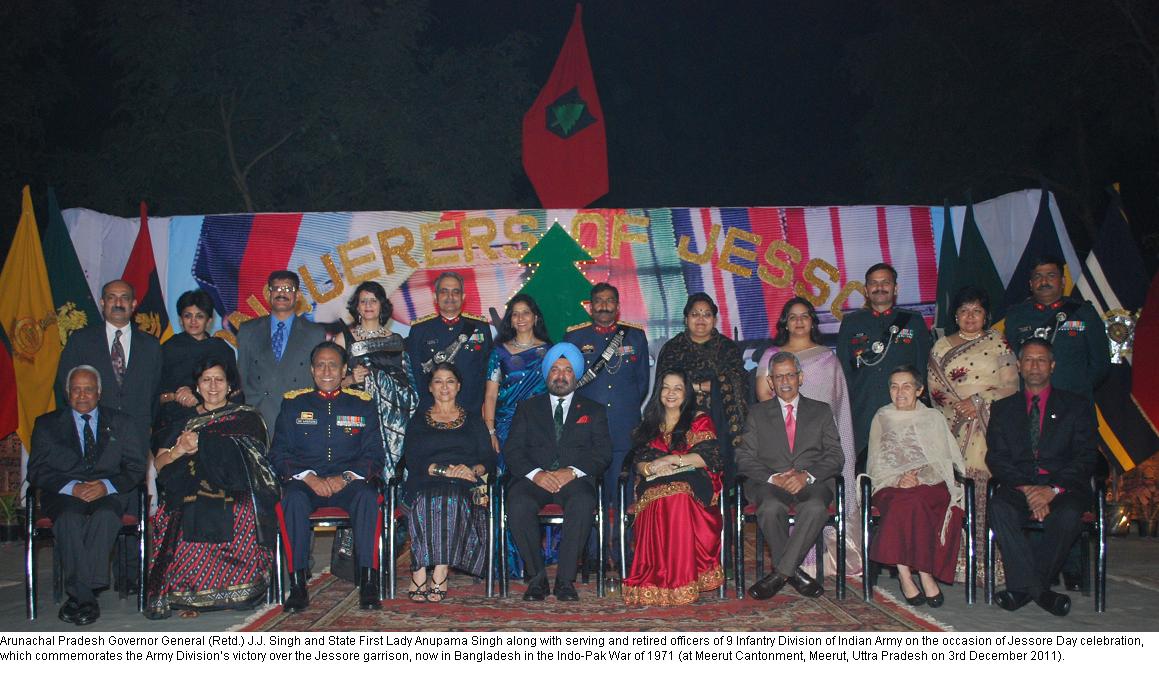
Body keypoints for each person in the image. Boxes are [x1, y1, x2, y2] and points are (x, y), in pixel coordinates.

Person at [146, 357, 278, 619]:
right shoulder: (180, 422)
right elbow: (160, 465)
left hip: (236, 483)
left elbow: (257, 457)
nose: (213, 386)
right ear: (197, 386)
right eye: (206, 380)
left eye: (219, 379)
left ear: (230, 386)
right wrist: (180, 449)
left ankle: (238, 593)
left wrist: (206, 443)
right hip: (188, 483)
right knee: (188, 508)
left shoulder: (246, 417)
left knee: (240, 509)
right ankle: (192, 596)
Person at [269, 342, 385, 612]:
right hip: (307, 483)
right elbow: (279, 452)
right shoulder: (294, 404)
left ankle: (368, 582)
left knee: (368, 497)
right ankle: (298, 584)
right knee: (293, 499)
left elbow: (374, 454)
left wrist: (344, 478)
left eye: (333, 364)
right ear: (311, 369)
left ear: (344, 369)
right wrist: (309, 478)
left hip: (348, 482)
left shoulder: (362, 404)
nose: (327, 370)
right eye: (320, 364)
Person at [986, 338, 1098, 617]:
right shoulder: (1003, 409)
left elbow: (1086, 456)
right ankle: (1040, 591)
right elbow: (996, 457)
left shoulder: (1077, 405)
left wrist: (1052, 489)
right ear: (1019, 367)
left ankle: (1023, 590)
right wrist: (1027, 489)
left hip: (1063, 488)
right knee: (999, 507)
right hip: (1020, 485)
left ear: (1052, 366)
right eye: (1028, 360)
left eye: (1041, 360)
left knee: (1070, 514)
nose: (1034, 365)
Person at [28, 366, 148, 625]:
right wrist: (72, 487)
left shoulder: (122, 422)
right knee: (70, 517)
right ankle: (86, 597)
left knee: (105, 515)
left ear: (99, 393)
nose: (82, 395)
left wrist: (106, 485)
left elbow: (136, 468)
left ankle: (79, 597)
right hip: (64, 494)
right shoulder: (47, 424)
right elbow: (36, 470)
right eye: (76, 389)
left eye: (88, 389)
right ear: (67, 392)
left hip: (108, 491)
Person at [755, 297, 862, 577]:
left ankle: (801, 567)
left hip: (817, 452)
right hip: (780, 449)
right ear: (785, 323)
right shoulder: (771, 357)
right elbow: (765, 402)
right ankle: (799, 568)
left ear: (813, 321)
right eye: (793, 316)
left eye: (805, 316)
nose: (799, 321)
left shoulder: (828, 359)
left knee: (813, 500)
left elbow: (838, 409)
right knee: (776, 500)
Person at [504, 343, 611, 601]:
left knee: (584, 502)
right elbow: (513, 451)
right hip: (534, 479)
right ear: (546, 374)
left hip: (574, 480)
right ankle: (537, 579)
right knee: (517, 503)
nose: (561, 375)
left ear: (575, 376)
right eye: (555, 369)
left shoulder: (593, 410)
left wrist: (572, 472)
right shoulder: (527, 408)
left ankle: (565, 581)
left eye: (567, 370)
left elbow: (603, 453)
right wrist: (536, 474)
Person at [927, 286, 1018, 584]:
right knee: (954, 492)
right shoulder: (942, 346)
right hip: (952, 428)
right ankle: (955, 563)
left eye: (976, 311)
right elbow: (935, 390)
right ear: (955, 315)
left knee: (983, 492)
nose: (970, 317)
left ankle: (989, 564)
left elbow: (1011, 385)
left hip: (991, 428)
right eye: (964, 311)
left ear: (986, 315)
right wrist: (960, 409)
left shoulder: (998, 342)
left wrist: (978, 402)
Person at [736, 352, 844, 600]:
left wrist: (807, 475)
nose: (785, 381)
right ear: (771, 382)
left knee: (816, 507)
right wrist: (774, 477)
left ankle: (780, 574)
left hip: (811, 481)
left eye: (790, 375)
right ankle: (793, 573)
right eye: (778, 376)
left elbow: (836, 456)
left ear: (800, 377)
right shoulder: (757, 413)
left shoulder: (821, 411)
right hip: (770, 483)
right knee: (771, 507)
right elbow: (743, 457)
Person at [866, 365, 965, 608]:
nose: (900, 392)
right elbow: (874, 461)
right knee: (903, 500)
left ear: (919, 390)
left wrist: (919, 477)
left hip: (929, 482)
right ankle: (907, 574)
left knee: (915, 500)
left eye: (907, 386)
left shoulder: (933, 418)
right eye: (894, 386)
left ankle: (921, 571)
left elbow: (943, 459)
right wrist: (897, 480)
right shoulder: (882, 416)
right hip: (889, 483)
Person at [622, 368, 724, 606]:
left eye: (677, 388)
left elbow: (709, 458)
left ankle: (680, 580)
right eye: (666, 387)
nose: (671, 393)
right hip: (654, 480)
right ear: (658, 391)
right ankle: (655, 578)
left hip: (695, 482)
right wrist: (652, 468)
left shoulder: (699, 419)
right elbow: (639, 462)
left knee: (677, 494)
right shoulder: (650, 423)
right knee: (660, 496)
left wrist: (671, 460)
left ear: (686, 392)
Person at [401, 362, 495, 602]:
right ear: (430, 388)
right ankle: (420, 568)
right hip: (424, 479)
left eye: (450, 381)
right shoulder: (418, 420)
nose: (444, 387)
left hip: (463, 484)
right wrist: (445, 471)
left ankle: (441, 569)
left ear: (459, 386)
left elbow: (487, 459)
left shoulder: (473, 420)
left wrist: (472, 469)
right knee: (429, 498)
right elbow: (411, 459)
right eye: (438, 381)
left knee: (450, 499)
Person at [564, 283, 651, 526]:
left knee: (624, 495)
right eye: (599, 301)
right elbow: (568, 382)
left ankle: (623, 550)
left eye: (609, 300)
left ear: (618, 306)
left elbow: (642, 383)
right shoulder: (575, 337)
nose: (604, 306)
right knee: (588, 495)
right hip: (587, 431)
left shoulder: (634, 335)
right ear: (590, 308)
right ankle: (592, 554)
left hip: (624, 429)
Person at [836, 263, 931, 469]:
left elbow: (923, 368)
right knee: (864, 471)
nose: (880, 287)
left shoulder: (913, 322)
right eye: (874, 283)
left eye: (885, 283)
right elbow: (842, 370)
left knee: (905, 468)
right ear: (866, 290)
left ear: (895, 288)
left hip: (903, 410)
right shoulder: (851, 323)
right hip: (863, 411)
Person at [483, 293, 551, 578]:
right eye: (515, 313)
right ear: (510, 319)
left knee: (535, 487)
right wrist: (490, 430)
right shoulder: (499, 354)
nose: (521, 318)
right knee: (506, 491)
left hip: (538, 430)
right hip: (505, 427)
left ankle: (537, 558)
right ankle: (507, 561)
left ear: (535, 317)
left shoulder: (550, 352)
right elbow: (490, 395)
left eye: (526, 312)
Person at [655, 292, 747, 484]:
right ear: (686, 318)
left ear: (714, 319)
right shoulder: (673, 348)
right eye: (695, 314)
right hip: (681, 421)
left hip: (722, 419)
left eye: (706, 314)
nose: (701, 319)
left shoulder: (727, 348)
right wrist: (703, 386)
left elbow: (738, 380)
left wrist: (694, 386)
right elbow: (664, 386)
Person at [332, 280, 418, 479]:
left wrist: (385, 387)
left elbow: (409, 384)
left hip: (393, 419)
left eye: (373, 301)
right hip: (356, 415)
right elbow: (329, 383)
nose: (368, 306)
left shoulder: (397, 340)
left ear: (382, 306)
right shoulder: (343, 339)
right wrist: (353, 378)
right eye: (363, 301)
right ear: (357, 307)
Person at [56, 279, 162, 434]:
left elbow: (155, 390)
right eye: (111, 297)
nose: (118, 303)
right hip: (92, 430)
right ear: (102, 303)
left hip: (136, 432)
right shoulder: (80, 340)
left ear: (133, 304)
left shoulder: (151, 345)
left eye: (124, 298)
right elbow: (66, 384)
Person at [1003, 254, 1110, 400]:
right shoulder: (1016, 316)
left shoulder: (1083, 312)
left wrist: (1078, 389)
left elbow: (1100, 363)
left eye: (1051, 275)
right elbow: (1012, 360)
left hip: (1075, 401)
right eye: (1038, 277)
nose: (1044, 281)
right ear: (1031, 284)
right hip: (1031, 402)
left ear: (1063, 281)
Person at [236, 270, 327, 435]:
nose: (281, 293)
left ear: (298, 295)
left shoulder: (315, 333)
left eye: (288, 289)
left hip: (297, 415)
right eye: (276, 289)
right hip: (257, 416)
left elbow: (319, 380)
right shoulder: (248, 330)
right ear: (269, 293)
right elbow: (241, 373)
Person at [405, 271, 493, 414]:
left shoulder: (480, 328)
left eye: (455, 292)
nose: (450, 297)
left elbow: (487, 373)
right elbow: (416, 377)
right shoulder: (419, 330)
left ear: (463, 297)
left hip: (471, 411)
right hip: (433, 412)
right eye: (444, 292)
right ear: (435, 297)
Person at [157, 290, 239, 428]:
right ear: (181, 319)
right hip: (175, 420)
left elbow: (235, 390)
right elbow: (155, 393)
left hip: (216, 419)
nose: (193, 321)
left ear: (209, 320)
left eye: (199, 316)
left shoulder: (221, 349)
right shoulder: (168, 349)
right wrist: (176, 396)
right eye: (188, 316)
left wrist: (203, 397)